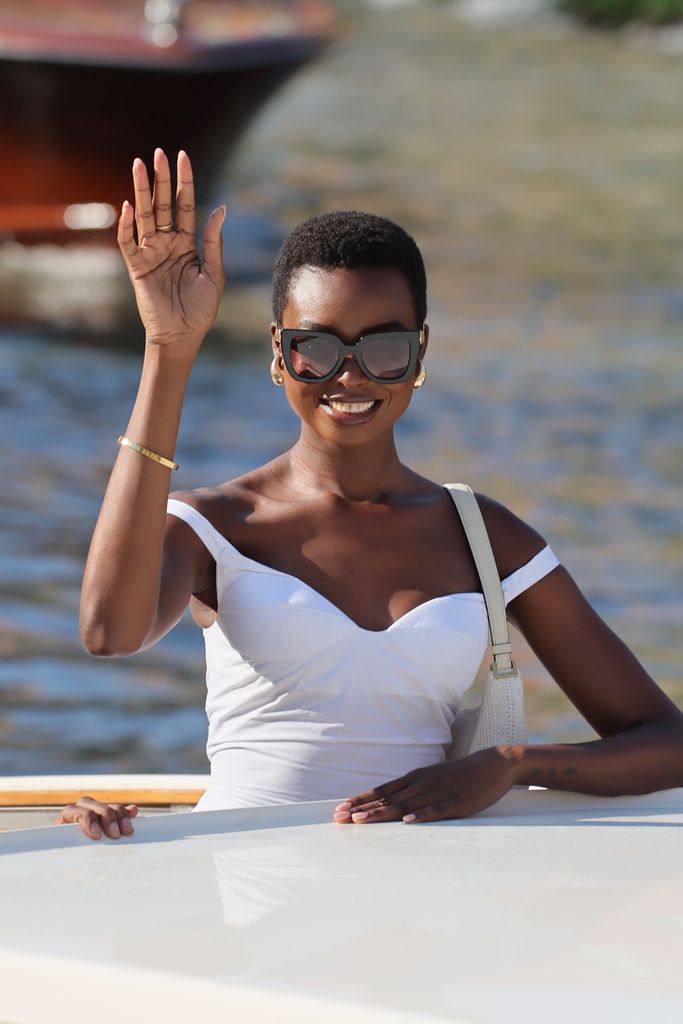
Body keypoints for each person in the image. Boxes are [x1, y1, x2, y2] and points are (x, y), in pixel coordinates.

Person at [57, 149, 683, 840]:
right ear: (278, 352)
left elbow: (666, 744)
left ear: (419, 353)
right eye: (316, 348)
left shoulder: (484, 536)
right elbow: (109, 633)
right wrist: (168, 349)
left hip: (414, 906)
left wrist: (509, 763)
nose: (348, 377)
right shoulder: (219, 524)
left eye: (382, 349)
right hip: (241, 891)